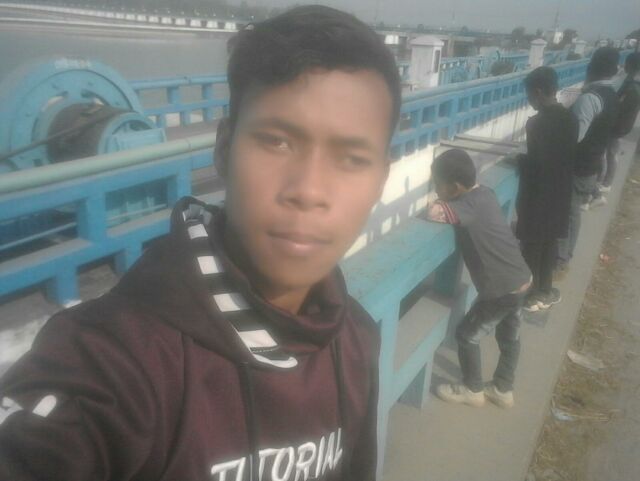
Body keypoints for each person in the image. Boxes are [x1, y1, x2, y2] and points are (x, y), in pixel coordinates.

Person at [0, 6, 401, 481]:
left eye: (352, 158)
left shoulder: (355, 338)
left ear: (381, 180)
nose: (309, 190)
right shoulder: (110, 362)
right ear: (223, 148)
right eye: (276, 141)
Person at [425, 149, 532, 409]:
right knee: (509, 337)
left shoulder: (466, 206)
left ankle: (472, 389)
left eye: (437, 185)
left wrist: (435, 201)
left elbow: (435, 213)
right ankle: (503, 388)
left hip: (500, 290)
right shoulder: (485, 193)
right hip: (522, 279)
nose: (436, 189)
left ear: (454, 187)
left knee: (466, 335)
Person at [517, 67, 578, 312]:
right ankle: (545, 291)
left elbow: (537, 165)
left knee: (532, 247)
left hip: (537, 197)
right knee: (549, 244)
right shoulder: (571, 119)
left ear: (538, 92)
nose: (530, 101)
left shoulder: (536, 124)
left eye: (529, 95)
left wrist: (519, 161)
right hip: (560, 193)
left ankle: (529, 296)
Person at [557, 47, 620, 270]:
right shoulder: (612, 95)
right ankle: (564, 255)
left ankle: (561, 258)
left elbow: (574, 137)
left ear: (590, 68)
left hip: (579, 166)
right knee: (573, 212)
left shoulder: (590, 99)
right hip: (592, 163)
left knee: (568, 213)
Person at [599, 52, 640, 192]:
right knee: (610, 152)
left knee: (610, 153)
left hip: (618, 125)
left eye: (626, 64)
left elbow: (621, 106)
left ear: (632, 65)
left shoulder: (633, 87)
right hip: (621, 125)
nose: (624, 66)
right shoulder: (630, 81)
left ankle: (605, 183)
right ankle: (605, 181)